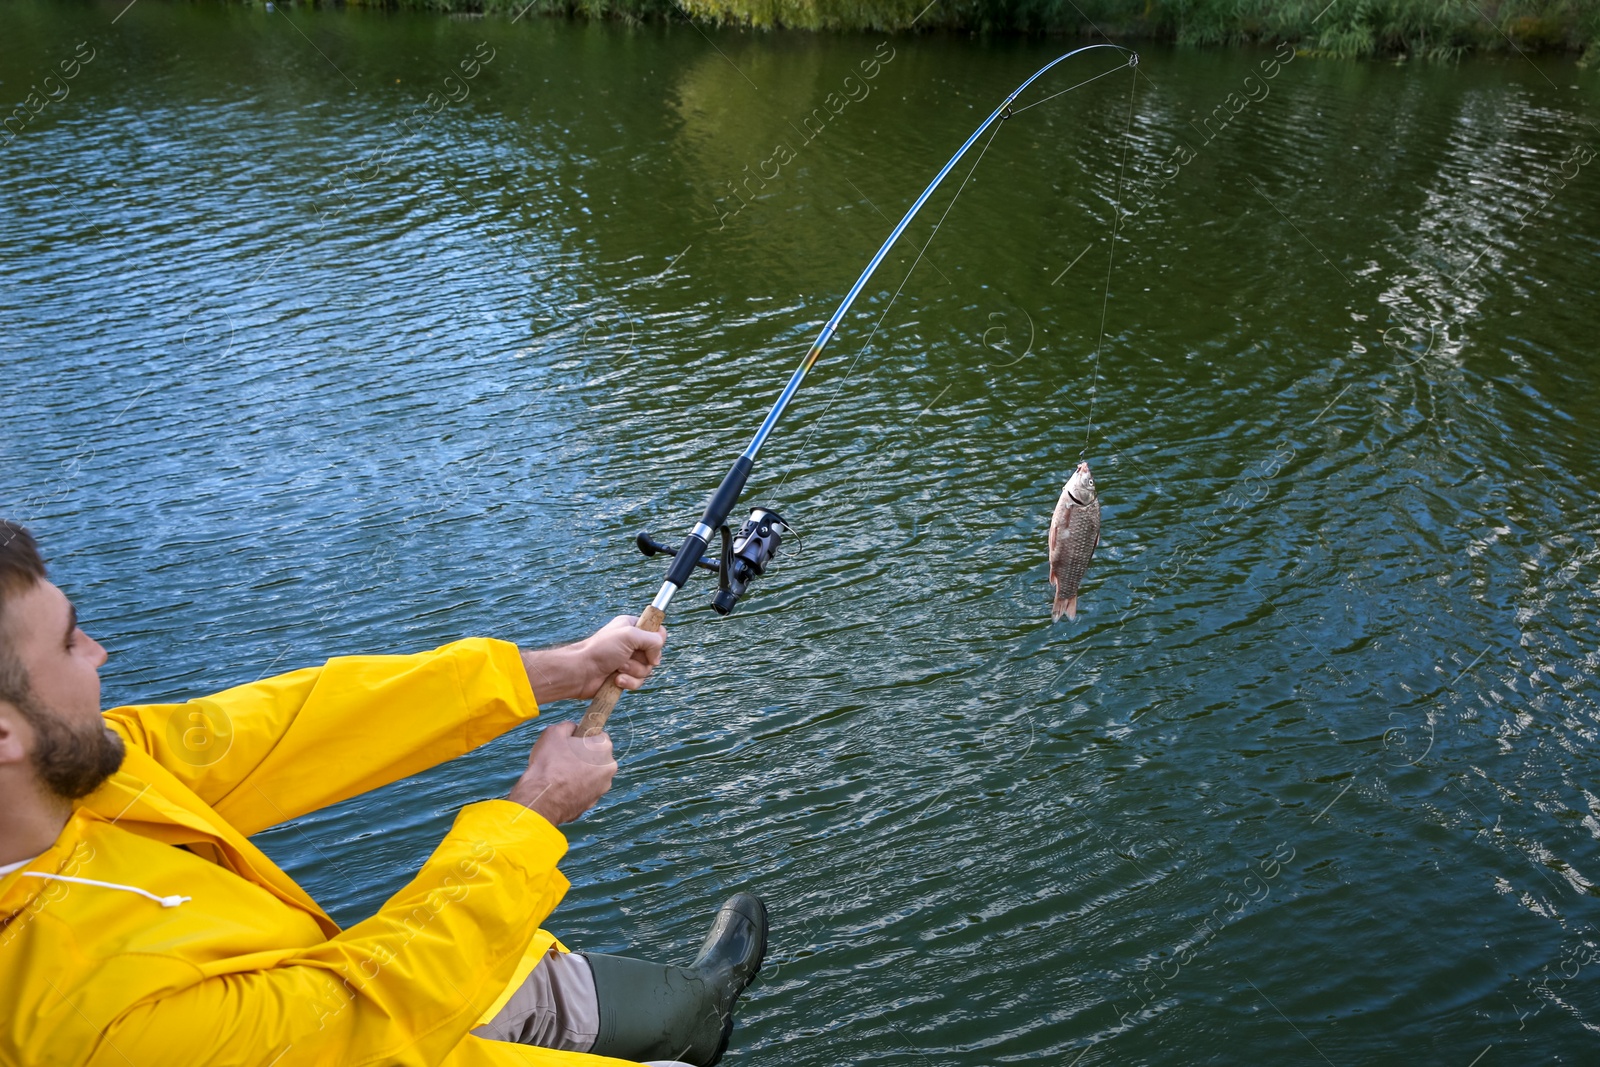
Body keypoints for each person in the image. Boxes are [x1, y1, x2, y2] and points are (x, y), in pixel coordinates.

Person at [0, 520, 766, 1067]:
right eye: (70, 642)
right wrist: (533, 813)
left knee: (667, 1005)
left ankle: (700, 1007)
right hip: (369, 1020)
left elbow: (290, 726)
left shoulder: (75, 770)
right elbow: (366, 1012)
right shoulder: (77, 1027)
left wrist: (551, 670)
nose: (101, 653)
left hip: (345, 995)